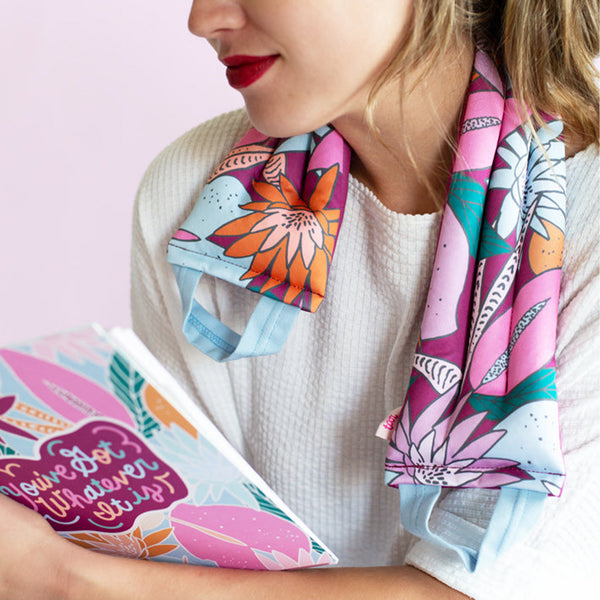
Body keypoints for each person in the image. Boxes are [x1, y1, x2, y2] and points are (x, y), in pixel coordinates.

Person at [1, 1, 598, 598]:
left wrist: (59, 577)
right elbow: (187, 550)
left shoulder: (587, 217)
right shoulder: (209, 203)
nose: (203, 19)